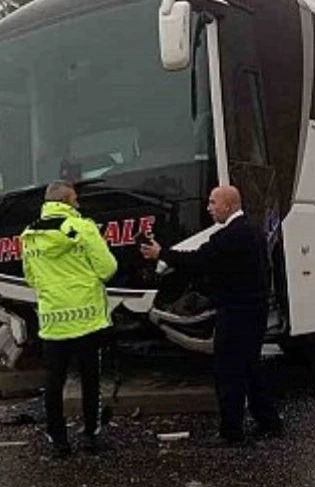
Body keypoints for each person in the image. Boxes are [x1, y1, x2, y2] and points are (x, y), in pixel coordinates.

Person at [140, 185, 283, 444]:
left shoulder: (227, 237)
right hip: (256, 310)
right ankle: (269, 422)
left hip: (235, 312)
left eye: (213, 203)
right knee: (251, 368)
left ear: (228, 206)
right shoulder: (253, 232)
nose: (208, 208)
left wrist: (161, 254)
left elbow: (198, 260)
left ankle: (231, 432)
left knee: (228, 372)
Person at [20, 181, 117, 456]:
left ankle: (58, 440)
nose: (79, 204)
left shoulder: (28, 235)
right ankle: (90, 435)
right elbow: (108, 268)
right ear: (66, 201)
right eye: (75, 199)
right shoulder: (83, 228)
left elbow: (30, 277)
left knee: (54, 381)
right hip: (87, 317)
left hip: (52, 320)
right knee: (90, 378)